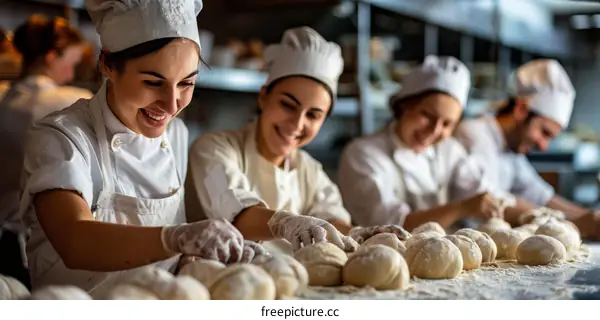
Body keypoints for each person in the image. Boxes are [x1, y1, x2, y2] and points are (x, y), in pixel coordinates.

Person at [15, 0, 266, 295]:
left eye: (187, 84)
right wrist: (176, 238)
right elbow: (74, 240)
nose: (172, 105)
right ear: (108, 63)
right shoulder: (61, 137)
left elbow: (165, 258)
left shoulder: (177, 136)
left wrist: (193, 256)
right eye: (153, 82)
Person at [185, 27, 407, 256]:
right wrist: (286, 222)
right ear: (263, 96)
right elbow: (235, 214)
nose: (297, 124)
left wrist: (356, 234)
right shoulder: (214, 148)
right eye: (288, 105)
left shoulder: (309, 170)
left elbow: (330, 220)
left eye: (313, 115)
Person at [337, 56, 516, 232]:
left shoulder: (448, 150)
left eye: (447, 124)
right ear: (404, 105)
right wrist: (461, 208)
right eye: (428, 116)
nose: (434, 131)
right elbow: (390, 227)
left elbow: (489, 195)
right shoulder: (362, 154)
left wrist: (532, 215)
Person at [454, 59, 600, 239]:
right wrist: (572, 223)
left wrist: (588, 216)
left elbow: (540, 194)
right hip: (464, 244)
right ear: (521, 110)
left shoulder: (511, 148)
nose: (543, 146)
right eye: (544, 132)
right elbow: (488, 204)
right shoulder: (474, 134)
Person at [0, 15, 92, 288]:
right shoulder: (71, 103)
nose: (72, 74)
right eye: (72, 63)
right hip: (23, 243)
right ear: (52, 56)